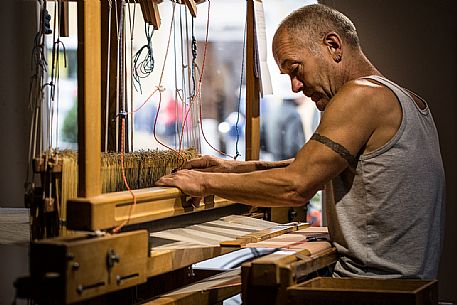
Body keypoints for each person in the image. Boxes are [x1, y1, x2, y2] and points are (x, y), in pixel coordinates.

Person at [156, 4, 445, 279]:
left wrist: (202, 183)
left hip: (368, 288)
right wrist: (228, 169)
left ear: (332, 46)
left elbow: (297, 185)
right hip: (401, 284)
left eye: (296, 69)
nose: (295, 86)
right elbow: (308, 167)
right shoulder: (404, 99)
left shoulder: (361, 95)